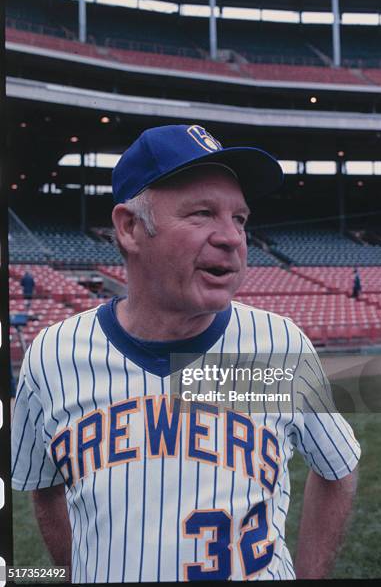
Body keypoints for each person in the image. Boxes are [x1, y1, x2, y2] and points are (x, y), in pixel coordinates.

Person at [12, 124, 360, 583]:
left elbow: (337, 469)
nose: (233, 238)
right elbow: (43, 487)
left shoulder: (281, 346)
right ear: (130, 227)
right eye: (202, 213)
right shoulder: (52, 355)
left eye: (240, 219)